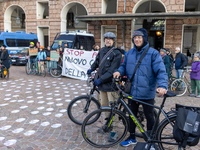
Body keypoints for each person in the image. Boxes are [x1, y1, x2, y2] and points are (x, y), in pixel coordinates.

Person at [113, 28, 168, 147]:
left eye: (139, 37)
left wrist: (163, 86)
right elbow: (123, 66)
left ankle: (151, 140)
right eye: (135, 38)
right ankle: (132, 137)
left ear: (144, 39)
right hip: (132, 91)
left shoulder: (153, 53)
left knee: (149, 117)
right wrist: (119, 71)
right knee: (132, 115)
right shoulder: (130, 53)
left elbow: (161, 71)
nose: (137, 39)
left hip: (147, 91)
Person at [87, 32, 123, 142]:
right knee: (105, 107)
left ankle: (115, 131)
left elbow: (112, 71)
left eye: (110, 39)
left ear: (113, 41)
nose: (108, 40)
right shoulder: (102, 50)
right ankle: (108, 125)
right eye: (106, 38)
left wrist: (100, 80)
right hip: (102, 86)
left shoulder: (116, 53)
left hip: (111, 86)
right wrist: (91, 68)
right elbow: (97, 62)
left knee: (113, 109)